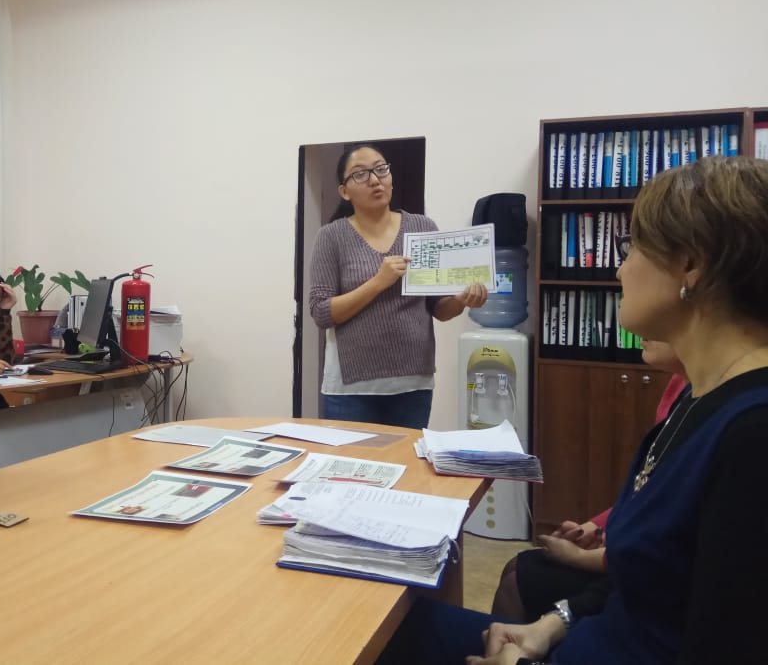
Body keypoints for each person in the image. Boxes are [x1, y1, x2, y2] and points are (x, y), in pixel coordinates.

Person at [381, 155, 768, 664]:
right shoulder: (696, 399)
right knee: (389, 628)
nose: (620, 268)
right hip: (582, 640)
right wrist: (554, 625)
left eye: (632, 249)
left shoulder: (752, 437)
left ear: (690, 266)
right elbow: (645, 580)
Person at [491, 340, 689, 623]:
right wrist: (593, 528)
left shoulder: (713, 412)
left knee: (518, 582)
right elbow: (643, 493)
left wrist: (579, 558)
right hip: (626, 550)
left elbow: (662, 543)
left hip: (648, 581)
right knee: (516, 566)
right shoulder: (681, 385)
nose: (636, 334)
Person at [309, 143, 488, 429]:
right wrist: (378, 282)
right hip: (351, 388)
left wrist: (462, 300)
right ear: (344, 191)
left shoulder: (422, 228)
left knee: (407, 459)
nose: (374, 180)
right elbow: (321, 312)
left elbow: (439, 309)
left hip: (412, 384)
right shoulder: (331, 236)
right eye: (360, 174)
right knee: (350, 459)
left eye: (381, 169)